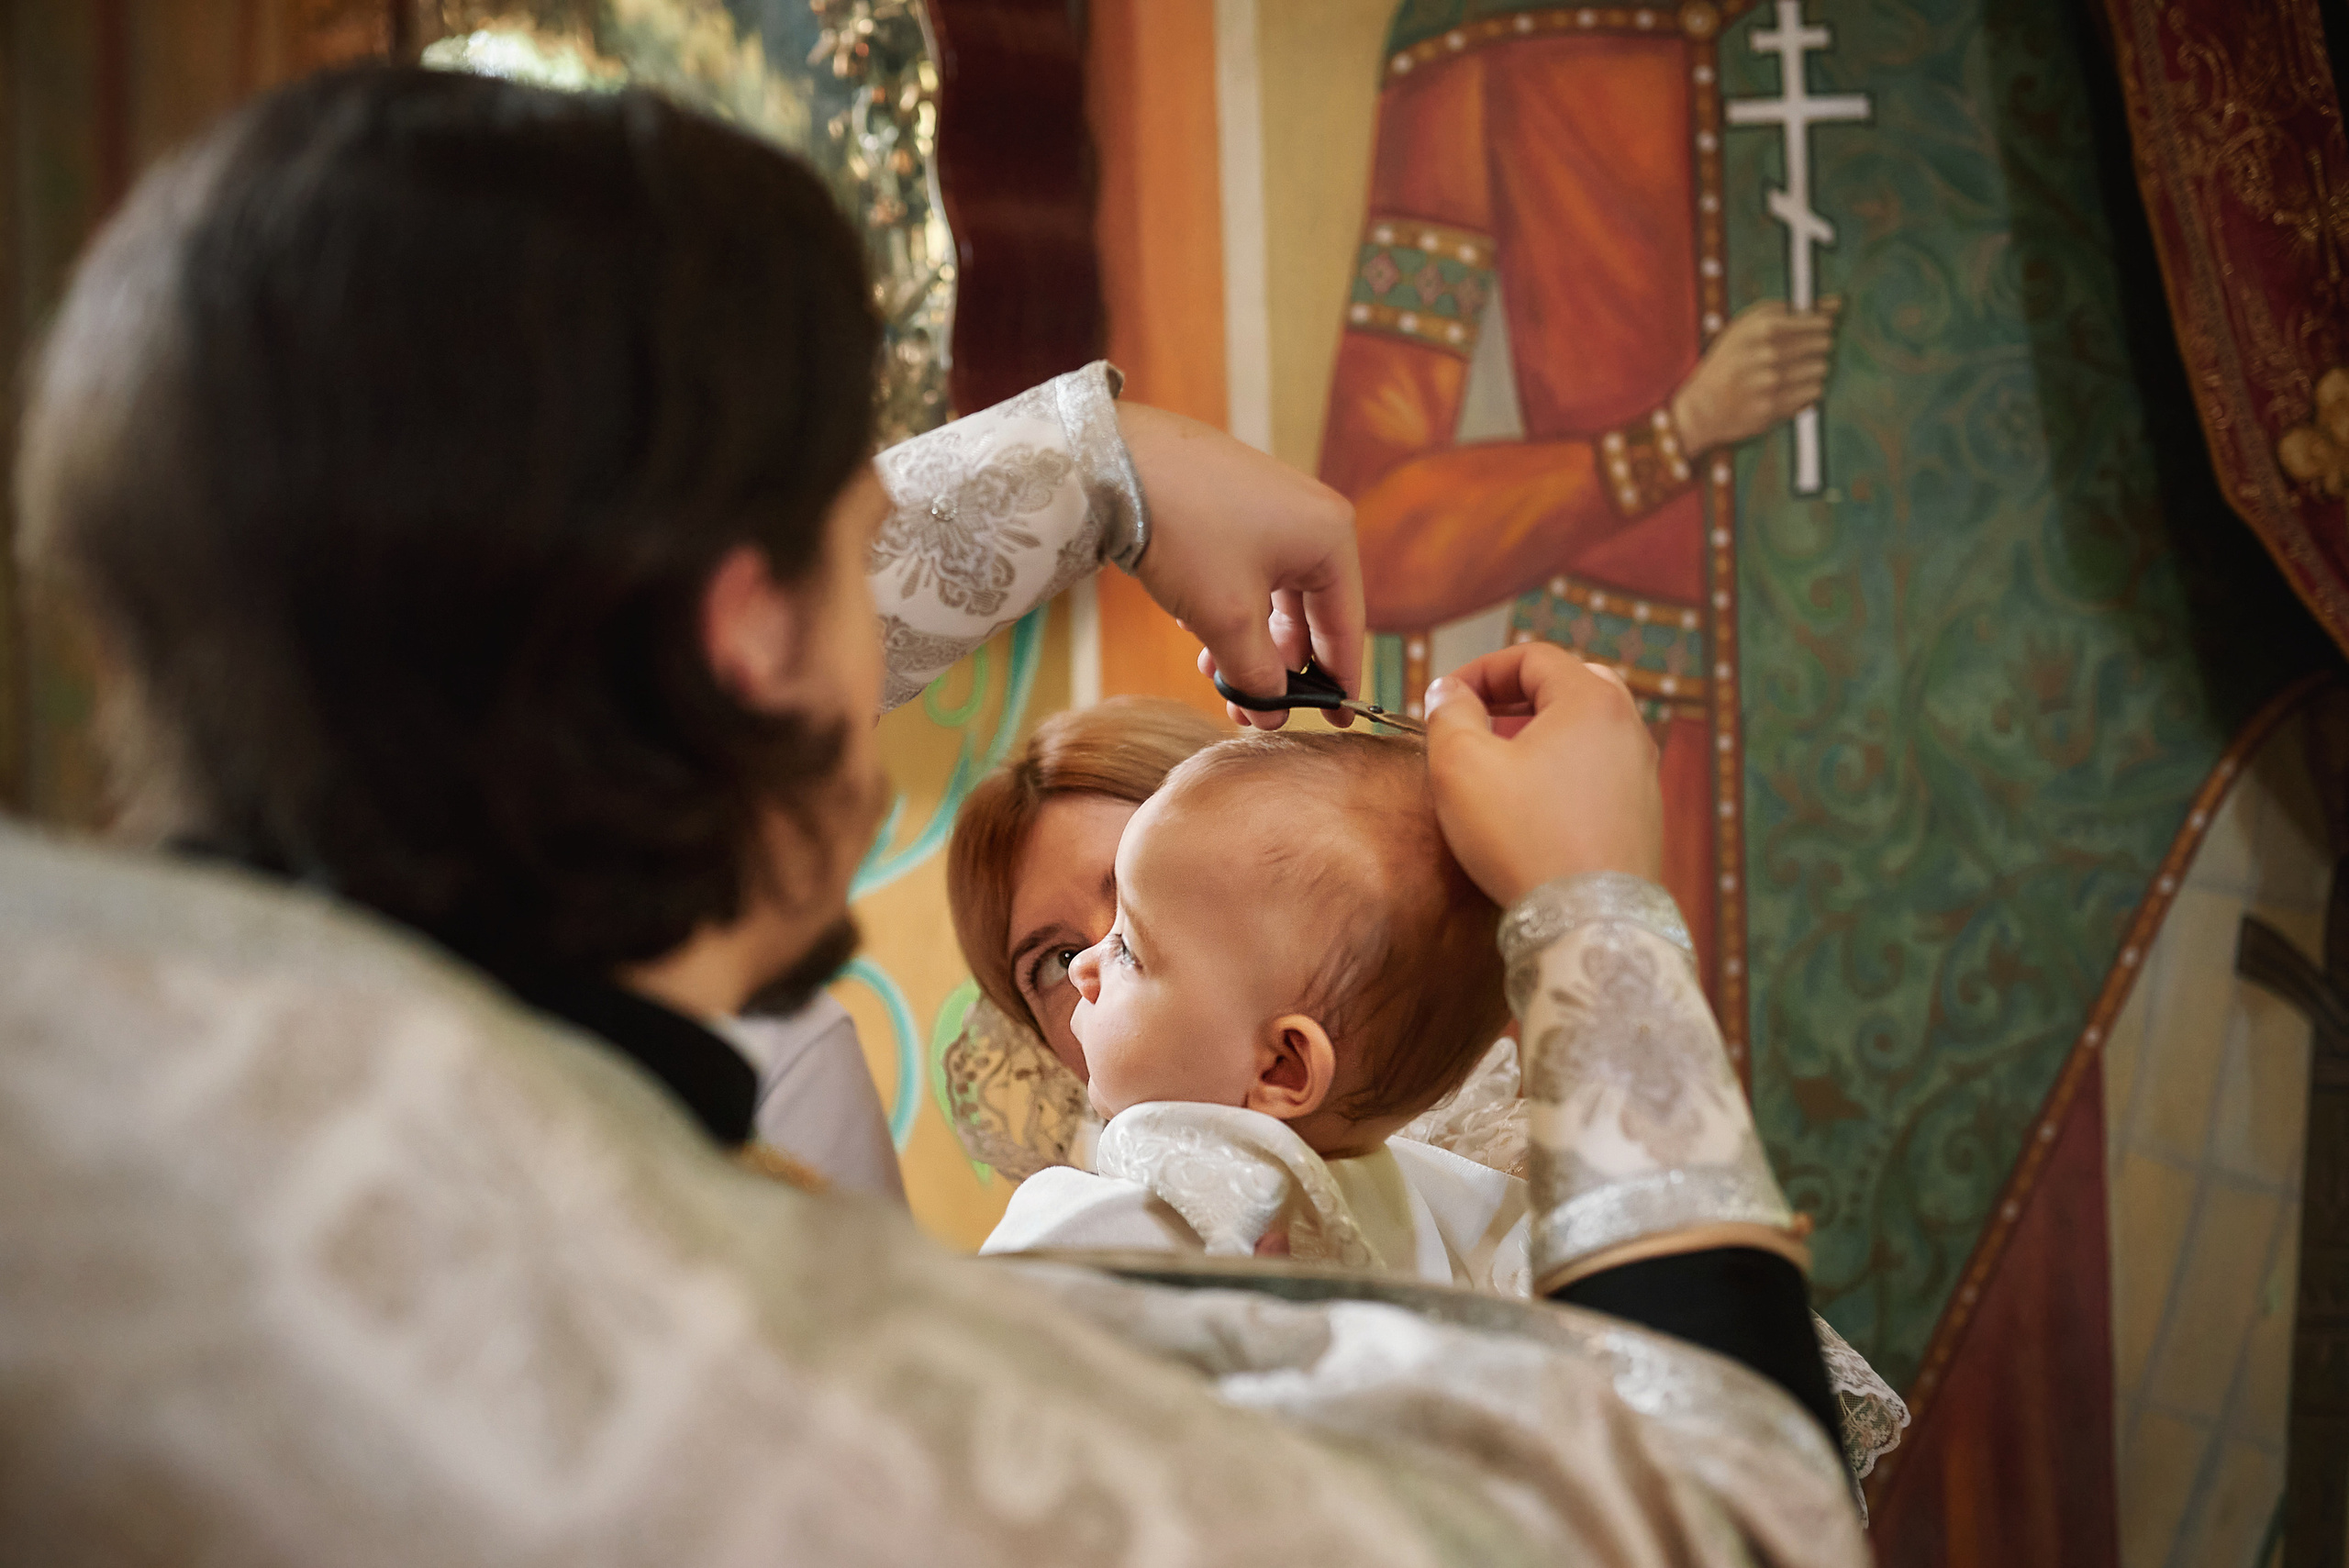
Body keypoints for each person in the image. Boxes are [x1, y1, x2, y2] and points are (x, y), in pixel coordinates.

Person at [3, 65, 1871, 1561]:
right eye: (859, 524)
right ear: (753, 632)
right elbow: (1735, 1525)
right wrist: (1593, 912)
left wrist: (1091, 468)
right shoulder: (821, 1398)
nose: (1089, 979)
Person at [980, 728, 1531, 1290]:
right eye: (1057, 958)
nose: (1083, 967)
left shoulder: (1095, 1228)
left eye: (1129, 947)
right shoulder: (1460, 1218)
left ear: (1282, 1068)